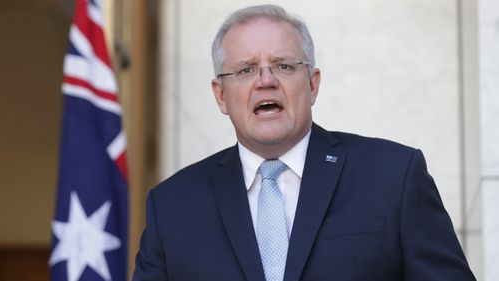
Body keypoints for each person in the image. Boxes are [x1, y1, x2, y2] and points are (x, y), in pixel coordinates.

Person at [133, 4, 476, 281]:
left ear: (312, 85)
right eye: (246, 70)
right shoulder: (171, 207)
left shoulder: (393, 177)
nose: (266, 80)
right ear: (221, 95)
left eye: (283, 65)